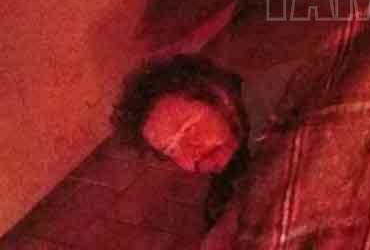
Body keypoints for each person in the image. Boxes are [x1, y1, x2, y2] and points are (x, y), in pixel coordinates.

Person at [111, 54, 299, 226]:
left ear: (219, 96)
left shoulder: (288, 95)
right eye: (171, 150)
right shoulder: (223, 195)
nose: (190, 155)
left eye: (188, 129)